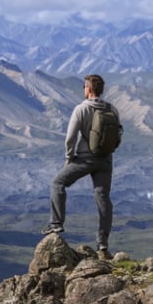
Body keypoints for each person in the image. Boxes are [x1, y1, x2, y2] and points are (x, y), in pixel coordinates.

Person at [43, 73, 121, 260]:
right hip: (105, 160)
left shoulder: (81, 109)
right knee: (103, 199)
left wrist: (69, 157)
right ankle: (102, 246)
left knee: (57, 183)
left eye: (84, 86)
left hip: (85, 159)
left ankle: (56, 224)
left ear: (88, 89)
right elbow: (118, 135)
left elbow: (70, 137)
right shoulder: (112, 109)